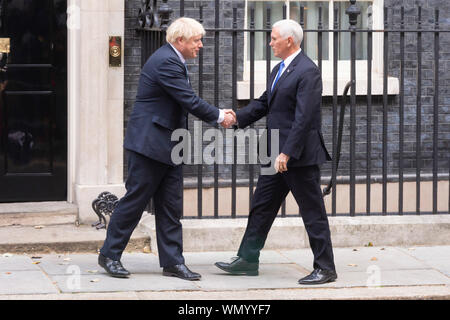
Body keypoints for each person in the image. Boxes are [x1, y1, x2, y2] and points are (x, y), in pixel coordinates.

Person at [98, 17, 236, 280]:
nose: (201, 45)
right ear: (180, 40)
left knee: (170, 206)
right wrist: (220, 116)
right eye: (197, 40)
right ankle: (109, 254)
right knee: (135, 202)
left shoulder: (174, 60)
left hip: (170, 145)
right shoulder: (166, 61)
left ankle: (173, 262)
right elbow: (188, 100)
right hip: (150, 145)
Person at [214, 19, 337, 285]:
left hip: (297, 157)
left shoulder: (308, 71)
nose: (270, 43)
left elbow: (304, 119)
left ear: (289, 41)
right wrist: (237, 117)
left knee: (312, 211)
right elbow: (265, 102)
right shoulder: (279, 69)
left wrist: (287, 153)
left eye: (273, 39)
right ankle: (247, 260)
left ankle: (325, 268)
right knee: (261, 207)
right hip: (275, 155)